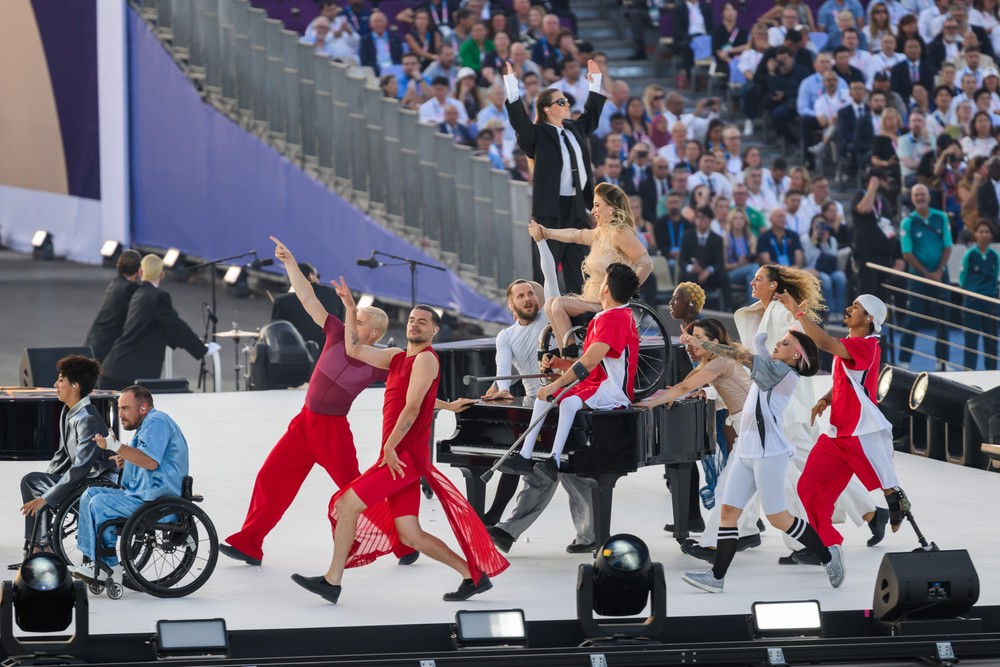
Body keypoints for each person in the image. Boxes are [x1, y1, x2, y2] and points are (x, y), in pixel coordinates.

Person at [223, 238, 473, 567]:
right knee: (270, 478)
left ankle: (403, 544)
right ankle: (249, 544)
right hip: (304, 423)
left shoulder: (380, 359)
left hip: (333, 431)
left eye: (358, 321)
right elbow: (307, 297)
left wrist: (448, 405)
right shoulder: (333, 332)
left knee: (356, 493)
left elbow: (417, 395)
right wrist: (289, 262)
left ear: (372, 333)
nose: (349, 323)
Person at [291, 290, 508, 604]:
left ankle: (332, 581)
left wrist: (390, 447)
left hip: (401, 458)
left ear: (435, 331)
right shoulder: (396, 357)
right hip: (397, 455)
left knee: (347, 505)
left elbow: (412, 407)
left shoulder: (425, 359)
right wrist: (351, 308)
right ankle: (472, 576)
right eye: (412, 320)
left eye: (423, 322)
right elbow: (353, 349)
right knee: (409, 534)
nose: (415, 325)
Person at [678, 327, 846, 593]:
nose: (779, 344)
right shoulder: (775, 368)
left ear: (796, 357)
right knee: (728, 513)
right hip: (747, 451)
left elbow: (741, 357)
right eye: (780, 341)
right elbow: (761, 361)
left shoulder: (785, 373)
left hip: (769, 454)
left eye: (786, 343)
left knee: (779, 518)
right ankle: (717, 577)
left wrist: (702, 343)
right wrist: (762, 347)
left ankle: (828, 556)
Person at [485, 237, 610, 555]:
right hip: (534, 404)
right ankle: (586, 535)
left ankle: (510, 530)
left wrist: (541, 243)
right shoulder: (505, 336)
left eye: (531, 294)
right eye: (521, 296)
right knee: (558, 470)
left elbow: (549, 275)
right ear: (511, 305)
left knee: (559, 470)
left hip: (565, 397)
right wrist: (499, 388)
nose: (528, 299)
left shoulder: (550, 318)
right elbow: (503, 374)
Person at [778, 292, 910, 557]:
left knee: (883, 477)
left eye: (856, 307)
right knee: (808, 487)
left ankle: (893, 502)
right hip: (839, 432)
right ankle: (826, 544)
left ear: (869, 318)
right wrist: (825, 400)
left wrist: (798, 312)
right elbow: (847, 382)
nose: (848, 308)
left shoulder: (867, 345)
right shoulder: (853, 342)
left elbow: (823, 341)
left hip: (859, 431)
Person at [497, 263, 641, 481]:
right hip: (598, 383)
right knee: (545, 396)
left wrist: (556, 384)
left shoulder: (616, 319)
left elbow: (589, 363)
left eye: (602, 281)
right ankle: (526, 455)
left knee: (564, 400)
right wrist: (560, 363)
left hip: (613, 390)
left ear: (605, 290)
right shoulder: (606, 317)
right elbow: (592, 363)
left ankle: (553, 459)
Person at [637, 319, 751, 546]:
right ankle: (714, 542)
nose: (690, 343)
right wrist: (696, 393)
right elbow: (689, 386)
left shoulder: (721, 361)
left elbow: (684, 387)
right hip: (750, 431)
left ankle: (714, 542)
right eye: (689, 338)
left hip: (756, 431)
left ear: (714, 342)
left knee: (779, 492)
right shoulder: (713, 363)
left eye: (697, 338)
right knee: (729, 489)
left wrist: (650, 404)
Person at [504, 60, 606, 296]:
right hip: (550, 209)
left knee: (579, 269)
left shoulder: (574, 128)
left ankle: (580, 322)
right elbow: (520, 122)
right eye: (560, 102)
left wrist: (595, 82)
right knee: (545, 270)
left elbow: (592, 115)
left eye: (567, 100)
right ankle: (544, 320)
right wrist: (512, 85)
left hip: (577, 207)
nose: (567, 104)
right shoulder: (538, 134)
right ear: (547, 109)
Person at [71, 386, 188, 583]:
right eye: (119, 409)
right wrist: (126, 460)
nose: (120, 415)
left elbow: (151, 461)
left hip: (159, 501)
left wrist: (115, 446)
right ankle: (94, 560)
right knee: (90, 494)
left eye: (125, 408)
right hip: (145, 495)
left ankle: (109, 565)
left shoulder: (157, 421)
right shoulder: (148, 425)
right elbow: (148, 458)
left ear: (143, 407)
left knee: (100, 503)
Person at [532, 183, 652, 355]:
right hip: (592, 298)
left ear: (611, 208)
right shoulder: (601, 233)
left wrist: (625, 292)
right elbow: (575, 235)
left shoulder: (620, 233)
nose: (593, 210)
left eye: (597, 205)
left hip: (609, 302)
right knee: (550, 304)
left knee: (557, 303)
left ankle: (571, 359)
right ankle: (566, 354)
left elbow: (646, 263)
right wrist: (547, 232)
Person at [18, 355, 115, 565]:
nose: (55, 384)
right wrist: (47, 482)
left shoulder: (87, 418)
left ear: (75, 385)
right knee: (34, 481)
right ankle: (40, 545)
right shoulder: (69, 412)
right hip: (83, 478)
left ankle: (42, 546)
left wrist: (46, 497)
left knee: (32, 482)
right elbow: (62, 456)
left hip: (96, 481)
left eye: (61, 380)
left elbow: (81, 467)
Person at [99, 255, 220, 390]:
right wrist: (202, 349)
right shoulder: (157, 296)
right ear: (162, 274)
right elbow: (176, 325)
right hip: (130, 371)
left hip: (116, 367)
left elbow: (155, 328)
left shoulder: (138, 293)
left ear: (140, 272)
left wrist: (182, 342)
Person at [897, 184, 953, 370]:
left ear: (928, 196)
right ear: (912, 199)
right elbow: (907, 253)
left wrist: (939, 270)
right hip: (918, 278)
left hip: (940, 275)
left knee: (943, 318)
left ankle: (942, 362)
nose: (920, 197)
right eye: (916, 195)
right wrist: (926, 273)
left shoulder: (941, 217)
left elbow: (947, 246)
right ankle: (904, 362)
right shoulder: (908, 222)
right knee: (912, 318)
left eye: (922, 194)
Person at [270, 261, 345, 352]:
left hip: (297, 356)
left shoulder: (282, 301)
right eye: (317, 276)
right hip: (330, 353)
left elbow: (275, 332)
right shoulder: (335, 294)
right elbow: (341, 325)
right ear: (311, 276)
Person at [85, 250, 142, 364]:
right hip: (105, 348)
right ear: (139, 270)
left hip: (95, 342)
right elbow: (137, 317)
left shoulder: (116, 283)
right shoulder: (130, 288)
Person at [960, 220, 1000, 370]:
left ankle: (992, 373)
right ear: (976, 234)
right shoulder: (969, 254)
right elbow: (963, 278)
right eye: (981, 231)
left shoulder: (995, 256)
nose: (984, 235)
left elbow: (996, 276)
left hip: (990, 300)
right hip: (972, 301)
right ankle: (968, 372)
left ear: (991, 235)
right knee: (971, 340)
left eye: (987, 232)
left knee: (991, 340)